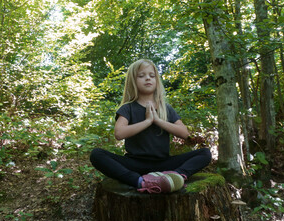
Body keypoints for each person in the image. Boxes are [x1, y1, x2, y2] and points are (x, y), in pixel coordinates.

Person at [90, 59, 211, 193]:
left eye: (151, 75)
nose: (147, 78)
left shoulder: (166, 108)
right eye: (141, 76)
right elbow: (119, 133)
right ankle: (140, 182)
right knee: (96, 155)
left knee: (205, 153)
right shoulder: (127, 108)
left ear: (156, 80)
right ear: (133, 81)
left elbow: (184, 133)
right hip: (135, 164)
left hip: (163, 164)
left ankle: (174, 177)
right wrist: (147, 122)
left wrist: (158, 121)